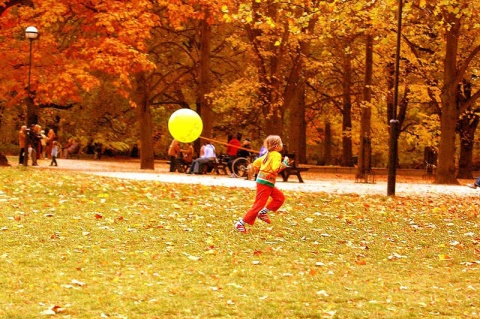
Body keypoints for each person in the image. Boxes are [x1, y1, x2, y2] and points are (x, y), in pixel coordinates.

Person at [235, 135, 290, 233]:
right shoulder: (276, 155)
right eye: (281, 143)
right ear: (277, 146)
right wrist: (284, 164)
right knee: (258, 205)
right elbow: (275, 168)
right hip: (265, 183)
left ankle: (263, 213)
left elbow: (256, 162)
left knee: (280, 198)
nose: (282, 144)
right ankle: (240, 223)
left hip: (267, 183)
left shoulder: (268, 154)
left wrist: (253, 168)